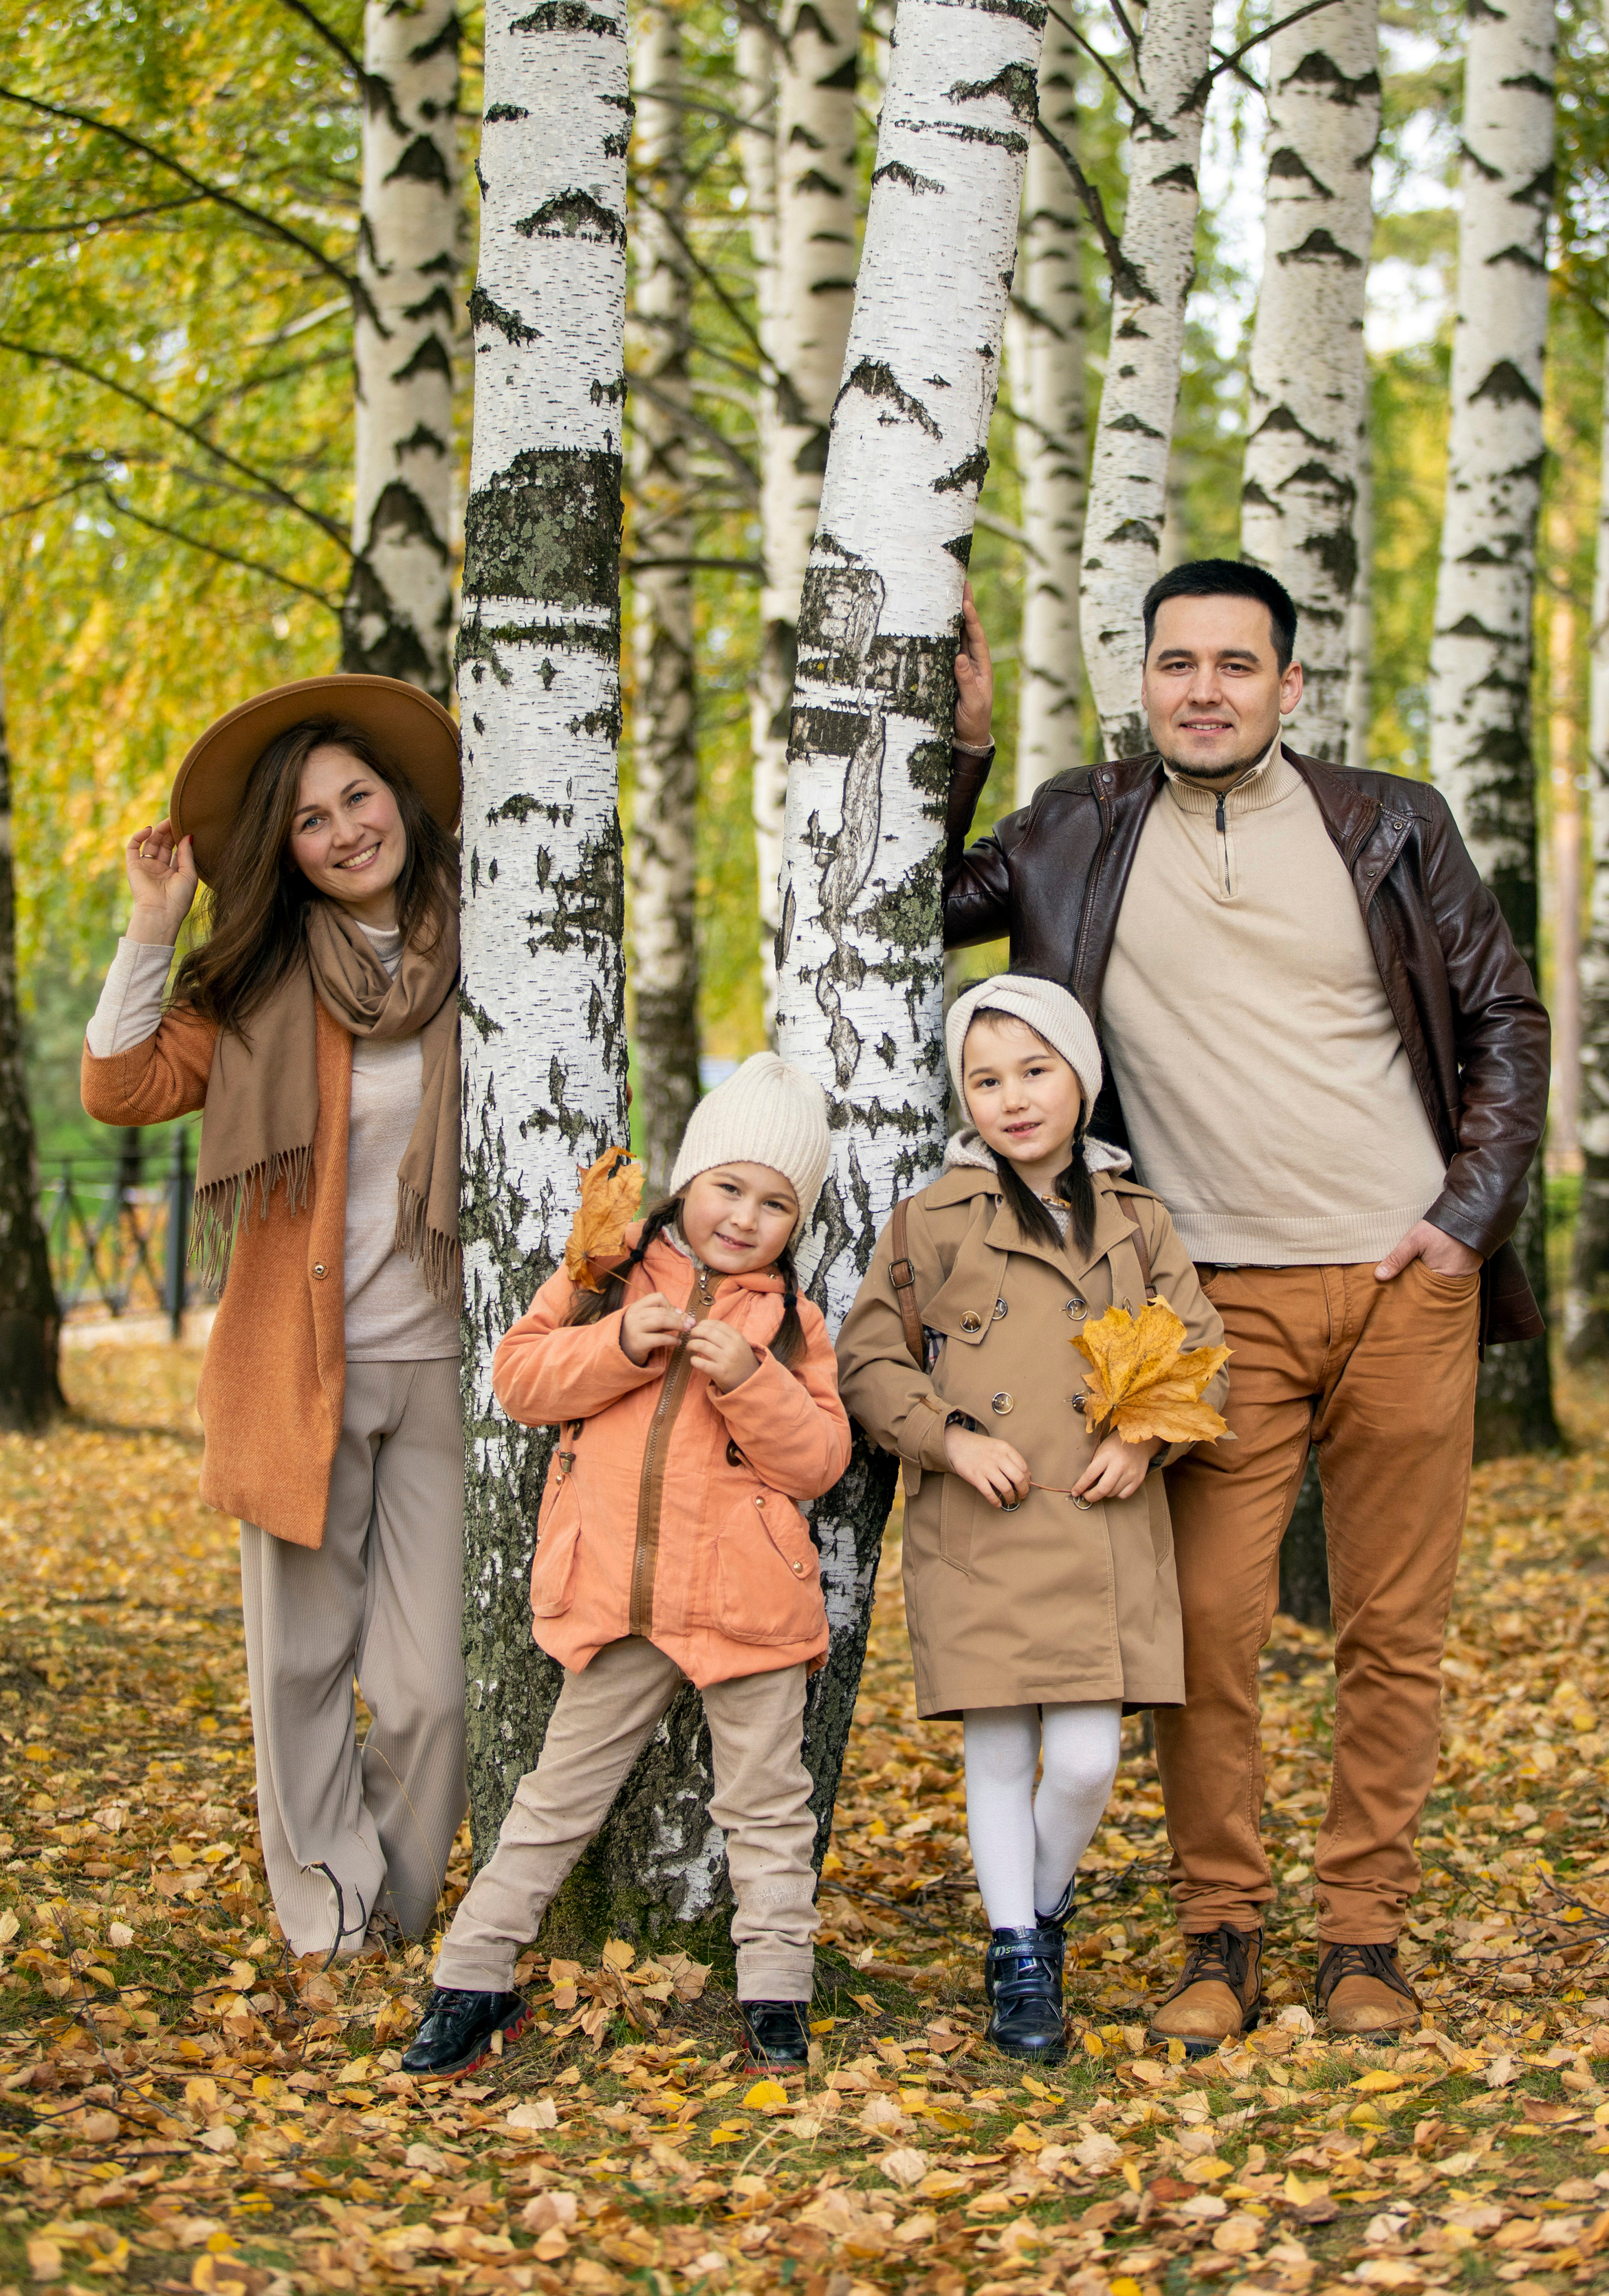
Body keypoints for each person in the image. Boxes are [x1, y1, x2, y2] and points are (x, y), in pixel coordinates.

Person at [941, 560, 1550, 2046]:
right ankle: (1218, 1933)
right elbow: (906, 907)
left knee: (1389, 1629)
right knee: (1203, 1629)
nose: (1201, 688)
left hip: (1401, 1281)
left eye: (1234, 663)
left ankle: (1363, 1943)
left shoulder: (1390, 821)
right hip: (1202, 1306)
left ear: (1289, 686)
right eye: (1174, 663)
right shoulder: (1071, 827)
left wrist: (1461, 1225)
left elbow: (1502, 1020)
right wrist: (954, 750)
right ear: (1138, 680)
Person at [82, 675, 468, 1962]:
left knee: (432, 1687)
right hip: (302, 1367)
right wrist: (153, 925)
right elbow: (124, 1084)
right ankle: (335, 1919)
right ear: (287, 852)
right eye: (311, 819)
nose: (347, 828)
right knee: (300, 1670)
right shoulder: (253, 984)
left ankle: (399, 1907)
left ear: (401, 804)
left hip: (456, 1370)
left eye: (360, 796)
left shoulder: (492, 945)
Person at [402, 1055, 851, 2081]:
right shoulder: (603, 1276)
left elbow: (818, 1461)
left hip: (745, 1604)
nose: (745, 1217)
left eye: (776, 1203)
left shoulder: (790, 1323)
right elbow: (518, 1378)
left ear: (797, 1222)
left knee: (767, 1807)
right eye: (729, 1187)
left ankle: (776, 1997)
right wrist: (614, 1346)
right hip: (614, 1597)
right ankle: (472, 1982)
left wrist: (750, 1381)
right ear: (688, 1182)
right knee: (557, 1794)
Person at [837, 975, 1227, 2062]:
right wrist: (951, 1437)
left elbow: (1201, 1351)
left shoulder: (1141, 1220)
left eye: (1035, 1071)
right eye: (985, 1078)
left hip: (1104, 1523)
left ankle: (1042, 1912)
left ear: (1082, 1080)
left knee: (1093, 1761)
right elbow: (870, 1358)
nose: (1012, 1098)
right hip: (984, 1526)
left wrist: (1144, 1434)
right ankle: (1017, 1954)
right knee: (1001, 1757)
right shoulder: (934, 1217)